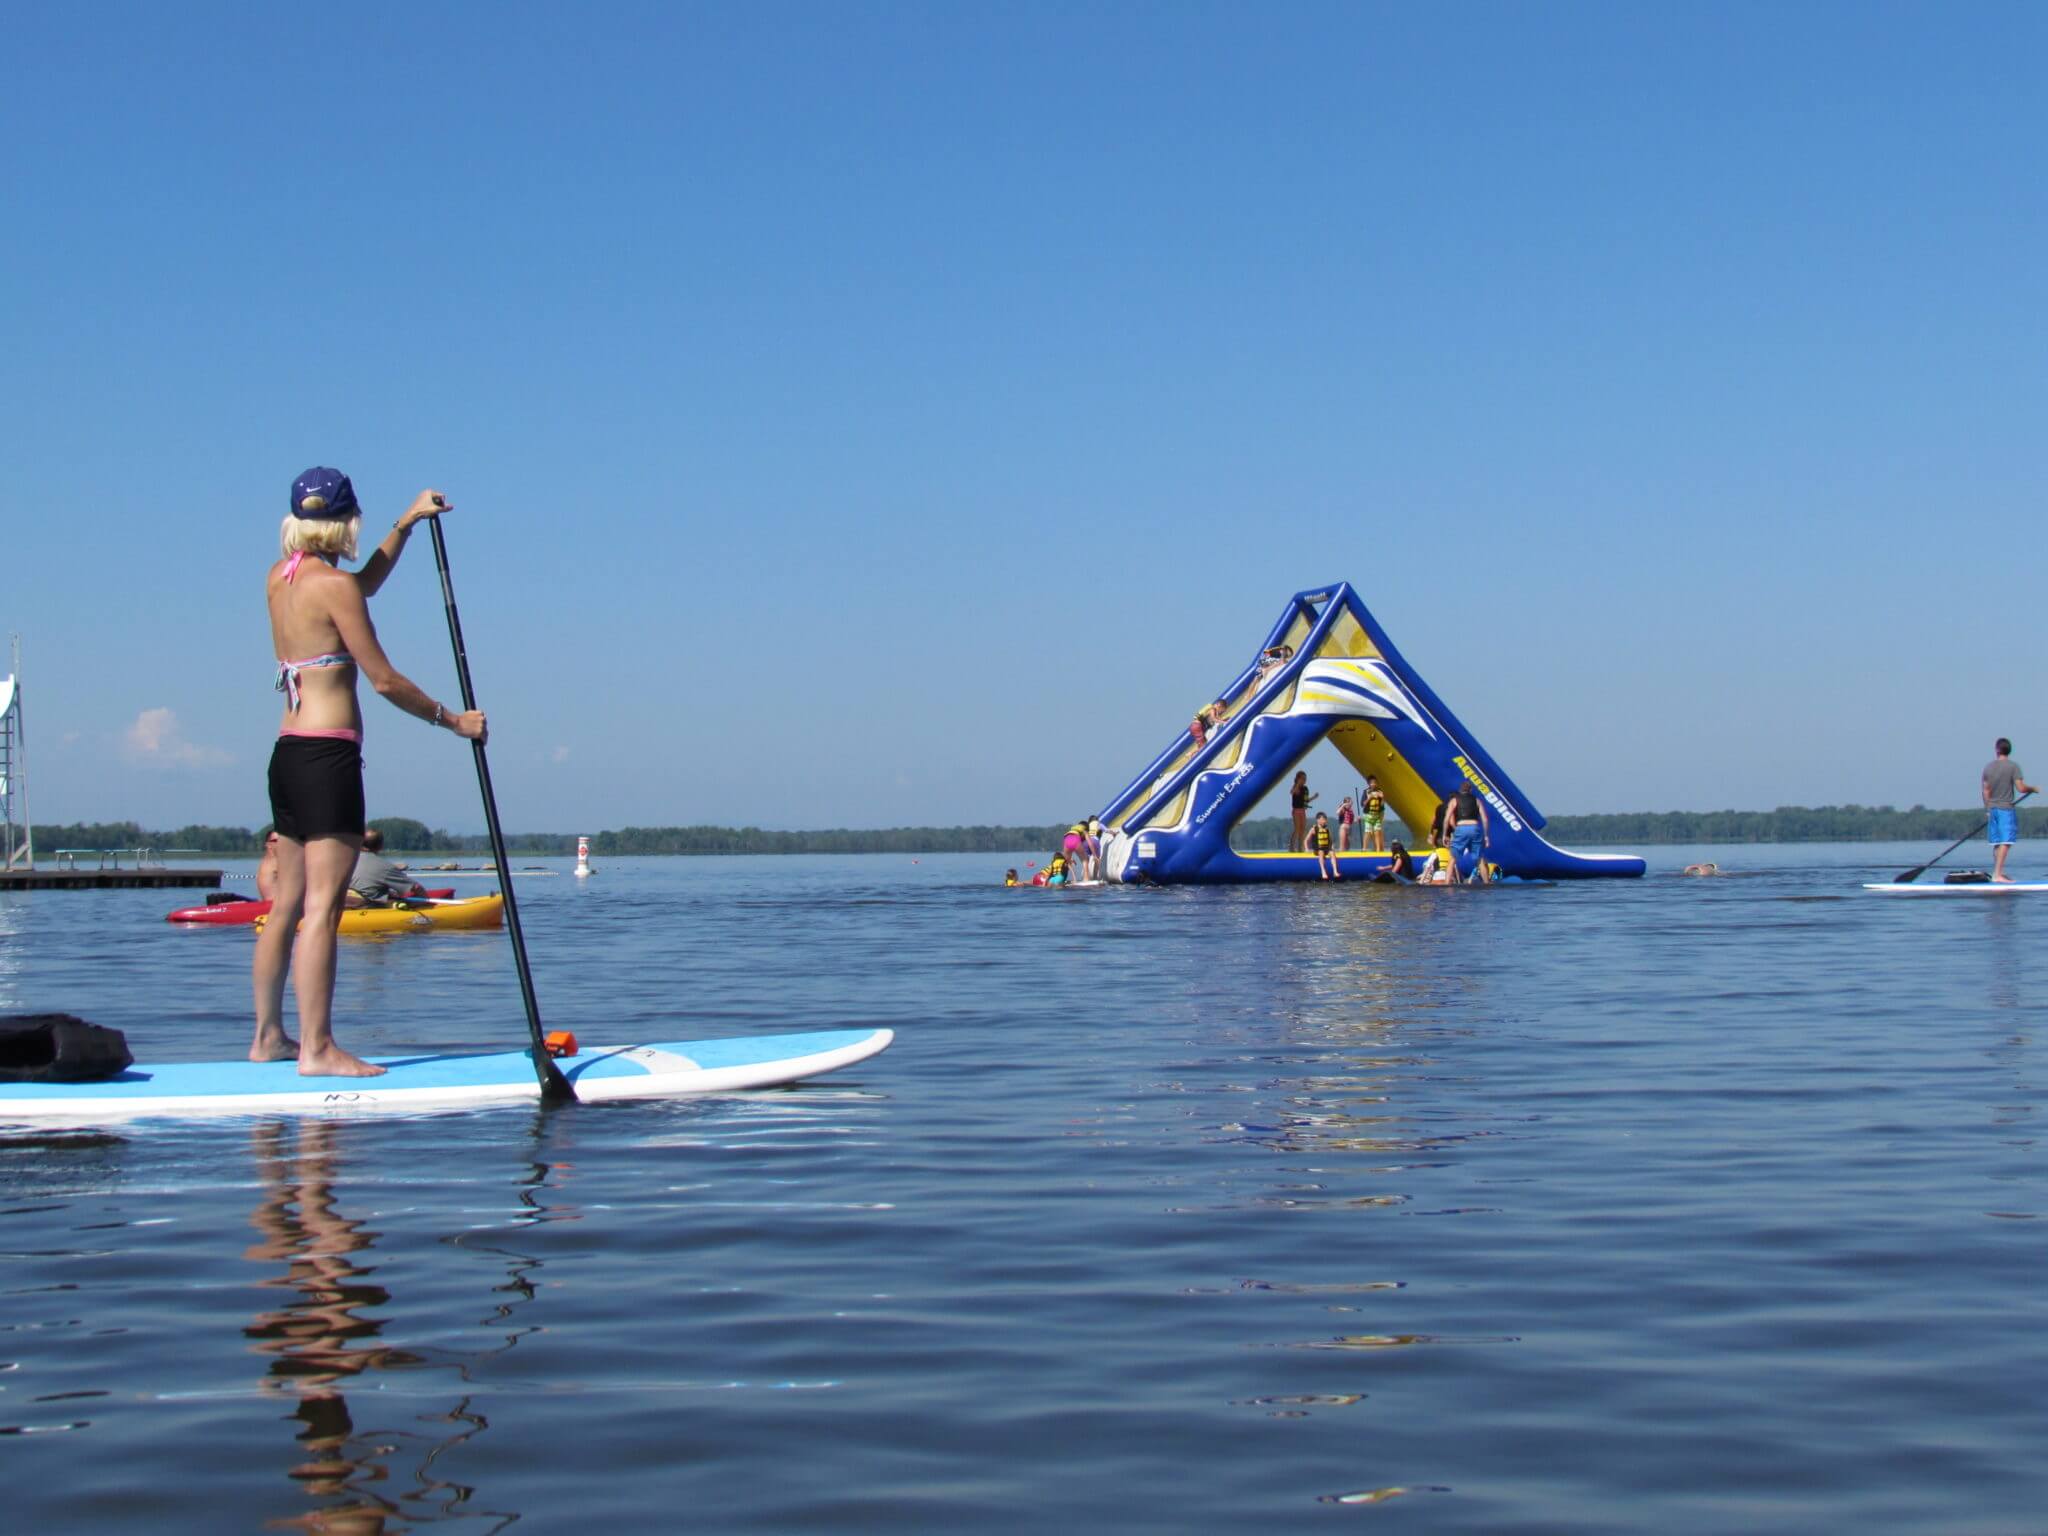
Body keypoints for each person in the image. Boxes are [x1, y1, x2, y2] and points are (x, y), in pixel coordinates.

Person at [252, 468, 486, 1077]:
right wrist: (451, 720)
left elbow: (358, 587)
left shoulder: (282, 579)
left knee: (287, 907)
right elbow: (382, 680)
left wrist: (406, 525)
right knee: (325, 909)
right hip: (328, 758)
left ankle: (268, 1038)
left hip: (287, 755)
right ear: (345, 521)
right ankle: (318, 1049)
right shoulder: (335, 586)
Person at [1983, 737, 2039, 883]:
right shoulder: (2013, 767)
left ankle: (1998, 872)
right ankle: (1997, 874)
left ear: (1997, 750)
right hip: (2005, 809)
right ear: (2009, 750)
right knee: (2006, 841)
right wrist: (2032, 789)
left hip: (1993, 809)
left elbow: (1986, 791)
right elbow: (2021, 788)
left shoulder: (1988, 767)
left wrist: (1988, 809)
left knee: (1997, 842)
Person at [346, 827, 426, 907]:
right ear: (381, 846)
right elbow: (417, 888)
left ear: (359, 843)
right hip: (366, 907)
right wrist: (423, 899)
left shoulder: (345, 861)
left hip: (345, 903)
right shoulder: (385, 867)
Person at [1444, 778, 1491, 884]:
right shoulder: (1477, 800)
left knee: (1453, 859)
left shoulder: (1454, 800)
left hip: (1461, 828)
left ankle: (1446, 884)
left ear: (1460, 790)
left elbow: (1447, 818)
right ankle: (1487, 883)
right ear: (1470, 790)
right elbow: (1485, 819)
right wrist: (1487, 836)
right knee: (1479, 859)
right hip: (1475, 828)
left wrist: (1444, 835)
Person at [1289, 771, 1316, 852]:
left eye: (1305, 779)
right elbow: (1292, 792)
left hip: (1302, 811)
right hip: (1296, 810)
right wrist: (1297, 783)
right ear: (1298, 779)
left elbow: (1306, 800)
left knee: (1302, 829)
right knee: (1297, 829)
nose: (1304, 780)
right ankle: (1292, 847)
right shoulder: (1296, 787)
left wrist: (1314, 797)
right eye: (1303, 779)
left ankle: (1301, 848)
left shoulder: (1305, 788)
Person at [1361, 776, 1388, 853]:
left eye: (1375, 782)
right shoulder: (1365, 792)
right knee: (1368, 831)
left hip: (1377, 815)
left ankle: (1378, 849)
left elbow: (1382, 805)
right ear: (1369, 784)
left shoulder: (1380, 792)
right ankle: (1364, 849)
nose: (1373, 784)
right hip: (1368, 815)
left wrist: (1382, 798)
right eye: (1371, 783)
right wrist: (1370, 798)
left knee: (1377, 831)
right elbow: (1363, 804)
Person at [1309, 811, 1339, 880]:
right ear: (1318, 820)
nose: (1325, 821)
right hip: (1318, 849)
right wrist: (1306, 848)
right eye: (1323, 819)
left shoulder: (1327, 829)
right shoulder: (1314, 829)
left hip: (1326, 848)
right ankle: (1323, 871)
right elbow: (1306, 840)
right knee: (1321, 852)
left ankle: (1335, 871)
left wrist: (1332, 847)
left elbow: (1330, 840)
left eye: (1325, 819)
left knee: (1332, 853)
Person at [257, 830, 281, 902]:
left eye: (283, 840)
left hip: (274, 905)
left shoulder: (269, 861)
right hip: (275, 906)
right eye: (276, 840)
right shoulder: (275, 863)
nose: (281, 843)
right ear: (268, 844)